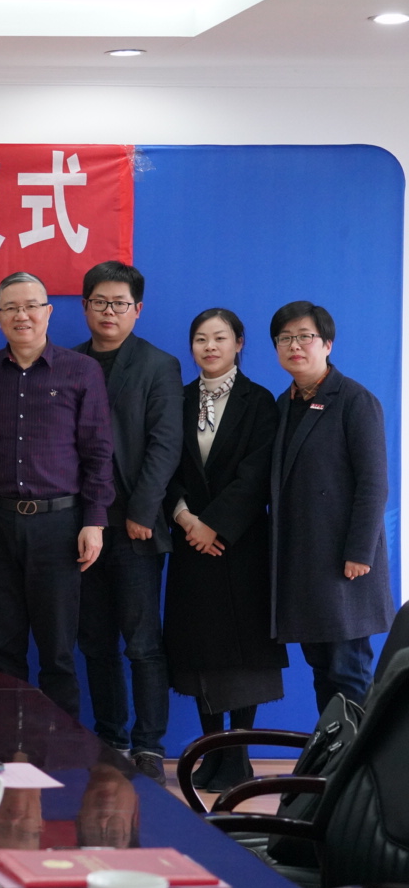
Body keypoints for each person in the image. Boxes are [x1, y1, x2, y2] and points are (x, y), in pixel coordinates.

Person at [0, 271, 113, 722]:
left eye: (31, 306)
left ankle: (61, 749)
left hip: (59, 525)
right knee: (1, 646)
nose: (23, 315)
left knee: (58, 649)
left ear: (48, 312)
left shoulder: (81, 370)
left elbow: (98, 451)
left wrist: (94, 520)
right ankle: (4, 742)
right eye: (11, 308)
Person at [164, 308, 287, 792]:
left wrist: (215, 524)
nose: (210, 347)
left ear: (239, 343)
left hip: (241, 543)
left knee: (242, 651)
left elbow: (257, 474)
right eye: (200, 339)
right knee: (202, 649)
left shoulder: (261, 402)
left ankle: (237, 757)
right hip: (190, 540)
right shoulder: (177, 399)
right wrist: (187, 519)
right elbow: (164, 465)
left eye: (220, 338)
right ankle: (210, 750)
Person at [71, 261, 182, 783]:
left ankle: (149, 746)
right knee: (94, 641)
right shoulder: (68, 362)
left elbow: (165, 445)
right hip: (82, 526)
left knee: (142, 643)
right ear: (84, 306)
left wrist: (141, 511)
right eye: (99, 302)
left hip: (136, 527)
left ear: (137, 309)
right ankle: (110, 736)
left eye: (119, 303)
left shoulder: (159, 365)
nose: (108, 312)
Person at [267, 301, 395, 711]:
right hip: (302, 561)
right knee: (321, 669)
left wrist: (359, 552)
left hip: (344, 562)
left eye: (305, 336)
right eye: (285, 338)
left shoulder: (355, 400)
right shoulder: (283, 405)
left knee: (348, 670)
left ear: (327, 344)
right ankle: (332, 749)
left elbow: (374, 484)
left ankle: (360, 752)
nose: (294, 346)